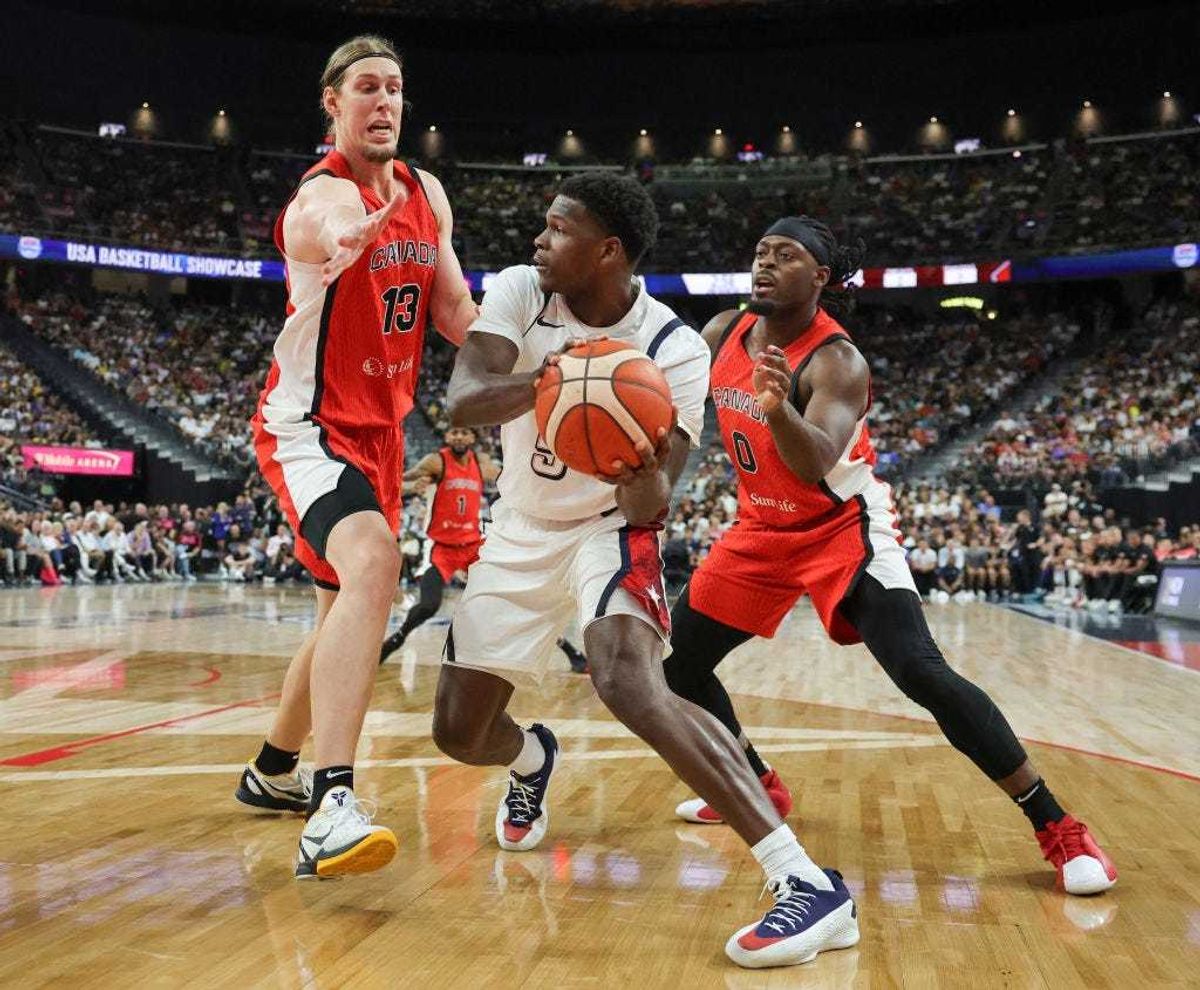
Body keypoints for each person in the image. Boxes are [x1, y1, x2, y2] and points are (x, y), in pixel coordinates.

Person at [430, 174, 856, 970]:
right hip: (518, 525)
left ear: (607, 250)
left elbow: (652, 505)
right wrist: (558, 381)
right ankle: (530, 759)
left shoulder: (674, 348)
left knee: (628, 679)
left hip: (606, 529)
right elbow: (463, 400)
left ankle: (802, 879)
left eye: (558, 230)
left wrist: (640, 460)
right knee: (458, 733)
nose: (539, 240)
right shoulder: (524, 291)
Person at [662, 216, 1117, 898]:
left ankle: (1059, 828)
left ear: (819, 277)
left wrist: (779, 409)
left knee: (920, 671)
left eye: (784, 256)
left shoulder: (838, 360)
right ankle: (757, 784)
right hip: (759, 528)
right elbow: (671, 402)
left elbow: (817, 462)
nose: (764, 263)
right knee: (678, 667)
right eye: (759, 252)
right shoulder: (722, 331)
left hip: (841, 526)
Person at [233, 35, 478, 881]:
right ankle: (330, 801)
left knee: (340, 608)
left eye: (396, 89)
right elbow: (319, 223)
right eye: (366, 88)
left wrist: (544, 351)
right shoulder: (321, 197)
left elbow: (455, 316)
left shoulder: (426, 193)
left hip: (379, 434)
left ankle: (272, 772)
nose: (385, 102)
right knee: (373, 562)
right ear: (332, 103)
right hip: (308, 425)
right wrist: (345, 235)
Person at [378, 425, 590, 673]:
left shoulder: (482, 465)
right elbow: (400, 480)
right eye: (454, 433)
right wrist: (411, 487)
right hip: (441, 548)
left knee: (512, 600)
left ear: (471, 437)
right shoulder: (436, 462)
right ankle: (394, 641)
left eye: (463, 432)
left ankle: (570, 651)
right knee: (428, 606)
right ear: (447, 436)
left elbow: (513, 477)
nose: (458, 436)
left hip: (472, 546)